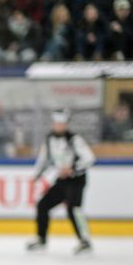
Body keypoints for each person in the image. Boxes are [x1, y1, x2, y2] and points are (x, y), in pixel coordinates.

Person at [28, 109, 96, 254]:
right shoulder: (49, 139)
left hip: (76, 179)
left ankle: (84, 240)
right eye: (56, 123)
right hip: (62, 180)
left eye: (62, 123)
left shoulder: (74, 139)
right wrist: (36, 176)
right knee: (43, 205)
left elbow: (89, 158)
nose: (59, 126)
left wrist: (73, 169)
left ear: (66, 124)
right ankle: (41, 239)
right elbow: (43, 160)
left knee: (74, 208)